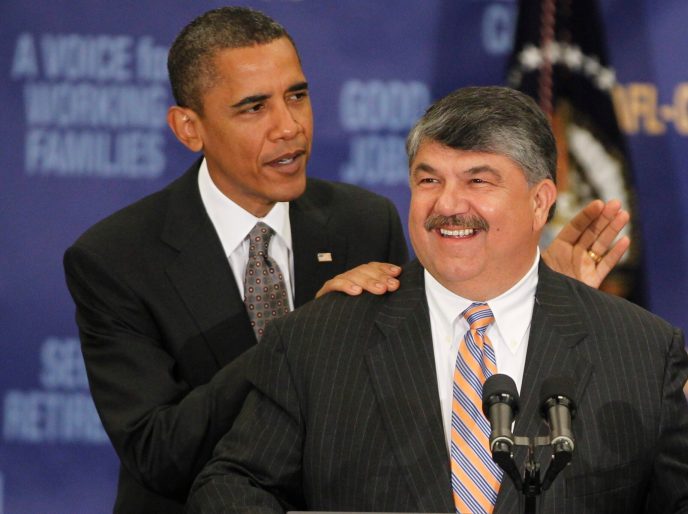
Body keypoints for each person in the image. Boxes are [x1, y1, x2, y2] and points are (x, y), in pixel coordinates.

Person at [63, 7, 629, 513]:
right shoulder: (116, 258)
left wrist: (530, 289)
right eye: (254, 107)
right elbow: (159, 454)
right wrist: (306, 335)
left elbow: (430, 373)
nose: (289, 126)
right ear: (190, 128)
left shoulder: (362, 221)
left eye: (297, 96)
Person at [187, 86, 688, 514]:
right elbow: (232, 485)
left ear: (540, 201)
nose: (448, 205)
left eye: (478, 181)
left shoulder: (639, 349)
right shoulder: (321, 338)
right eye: (428, 180)